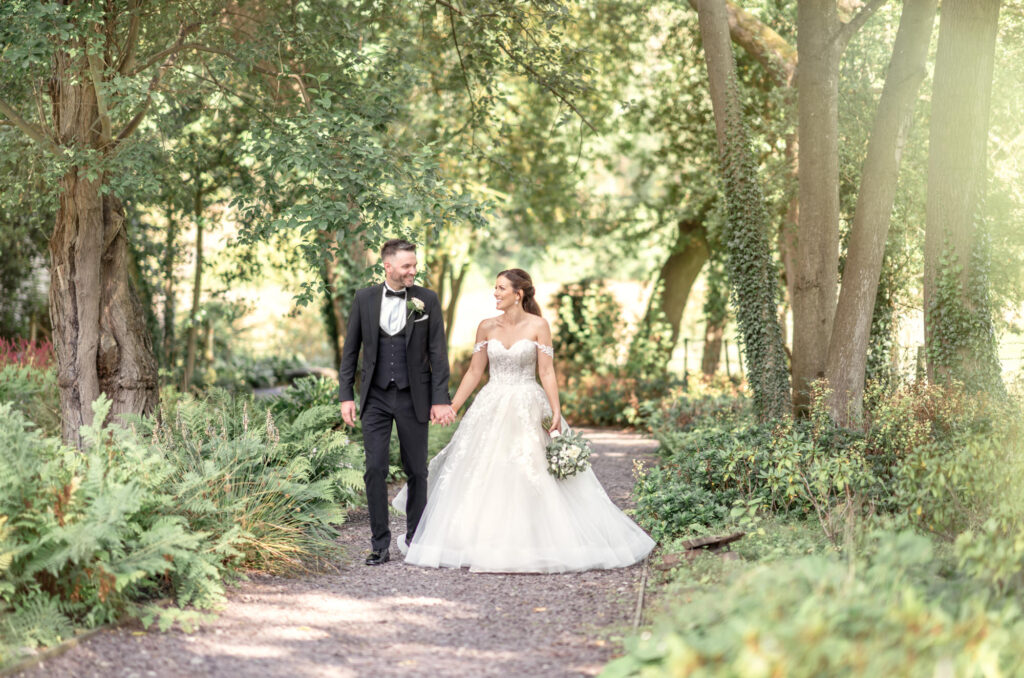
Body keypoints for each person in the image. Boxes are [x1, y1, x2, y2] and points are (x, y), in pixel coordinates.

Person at [393, 268, 655, 573]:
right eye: (494, 288)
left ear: (519, 294)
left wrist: (556, 411)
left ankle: (537, 540)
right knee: (482, 469)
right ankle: (477, 541)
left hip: (528, 405)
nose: (495, 293)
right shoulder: (486, 327)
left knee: (531, 471)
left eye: (501, 288)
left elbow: (546, 372)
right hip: (490, 404)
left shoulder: (539, 326)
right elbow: (475, 372)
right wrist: (452, 406)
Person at [338, 239, 455, 566]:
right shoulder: (364, 298)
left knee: (416, 469)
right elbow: (350, 351)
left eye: (414, 265)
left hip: (412, 395)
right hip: (374, 396)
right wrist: (346, 394)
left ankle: (416, 539)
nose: (412, 271)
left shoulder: (427, 300)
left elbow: (438, 353)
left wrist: (440, 398)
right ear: (387, 266)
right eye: (406, 266)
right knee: (375, 469)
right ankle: (379, 544)